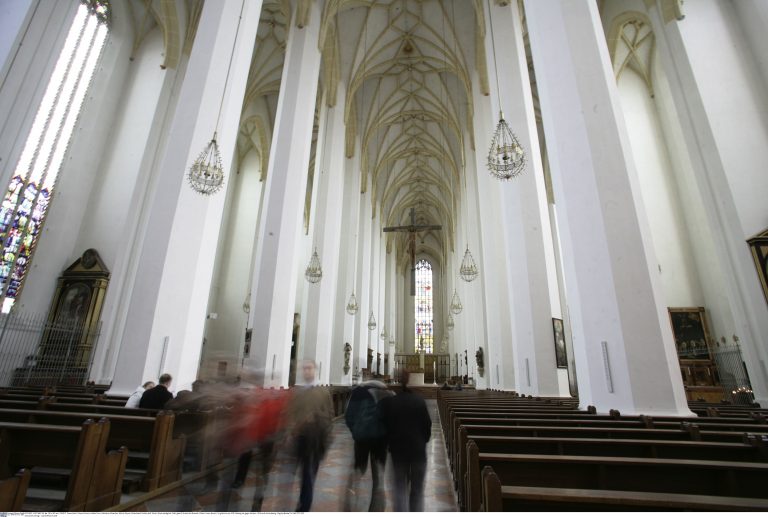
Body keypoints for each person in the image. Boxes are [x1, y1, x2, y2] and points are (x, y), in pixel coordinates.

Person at [379, 369, 432, 512]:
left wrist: (389, 444)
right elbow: (427, 427)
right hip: (418, 452)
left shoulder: (391, 402)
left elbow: (385, 427)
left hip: (398, 452)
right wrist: (422, 441)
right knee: (417, 491)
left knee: (399, 489)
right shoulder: (419, 401)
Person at [287, 360, 334, 512]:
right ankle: (302, 503)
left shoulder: (323, 392)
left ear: (315, 370)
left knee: (308, 474)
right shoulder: (298, 393)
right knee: (303, 474)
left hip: (315, 440)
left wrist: (315, 417)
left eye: (310, 368)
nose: (307, 371)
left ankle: (303, 508)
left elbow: (329, 416)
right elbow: (291, 414)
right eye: (305, 368)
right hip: (300, 439)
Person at [343, 379, 393, 511]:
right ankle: (376, 509)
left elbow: (348, 416)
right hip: (381, 441)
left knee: (358, 472)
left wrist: (355, 431)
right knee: (379, 478)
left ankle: (351, 505)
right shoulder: (387, 393)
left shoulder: (358, 392)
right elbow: (393, 419)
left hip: (362, 439)